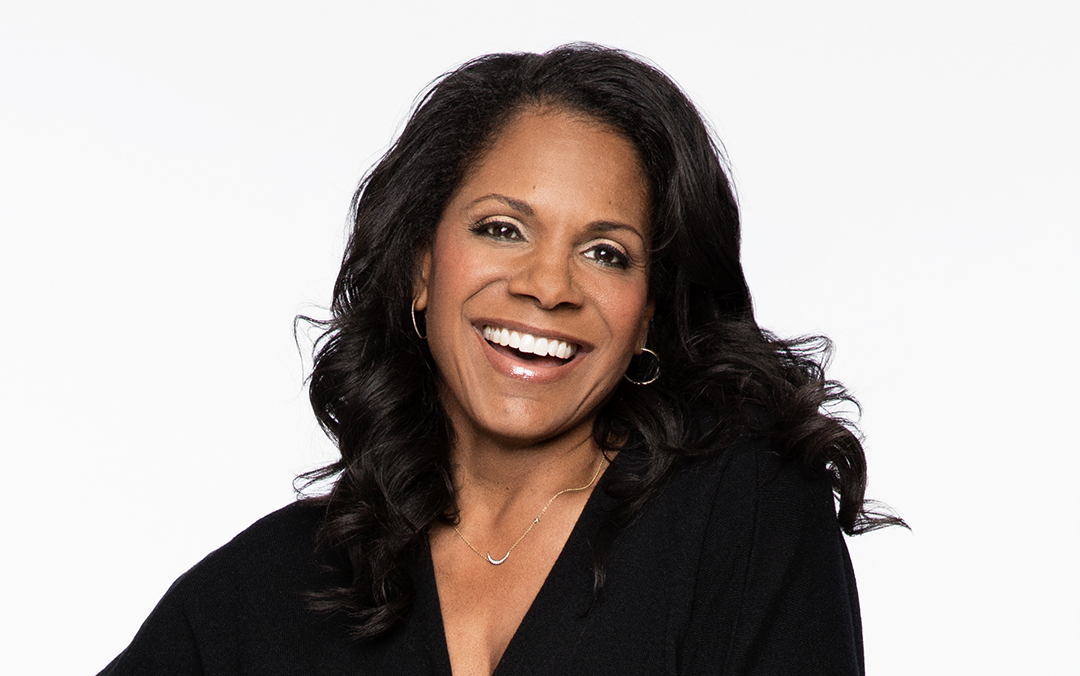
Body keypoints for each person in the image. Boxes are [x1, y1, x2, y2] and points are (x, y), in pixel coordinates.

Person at [98, 43, 901, 676]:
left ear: (649, 315)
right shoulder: (269, 592)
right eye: (502, 229)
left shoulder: (742, 519)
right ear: (421, 267)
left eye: (606, 252)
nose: (547, 286)